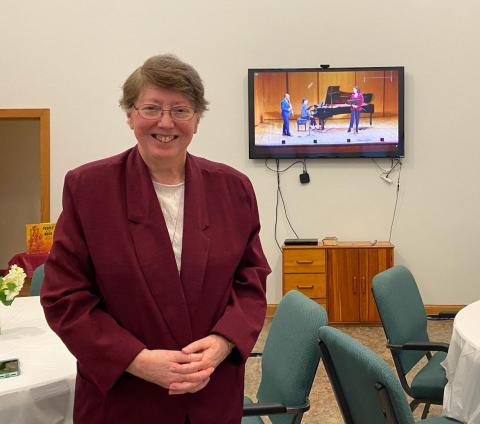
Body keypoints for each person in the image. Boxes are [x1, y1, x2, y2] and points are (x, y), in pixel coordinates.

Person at [40, 54, 271, 424]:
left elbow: (251, 279)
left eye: (181, 109)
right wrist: (135, 359)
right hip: (125, 399)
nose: (166, 122)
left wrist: (222, 342)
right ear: (130, 115)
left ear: (197, 119)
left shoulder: (234, 189)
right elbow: (64, 296)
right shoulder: (89, 189)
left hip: (209, 393)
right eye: (151, 108)